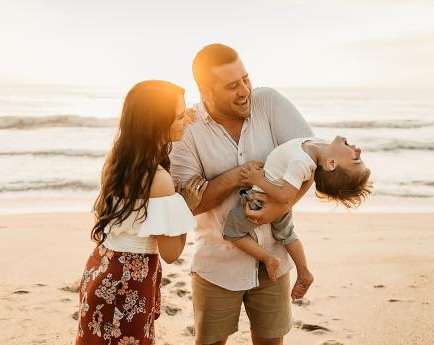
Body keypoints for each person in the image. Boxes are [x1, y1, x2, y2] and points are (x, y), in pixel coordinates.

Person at [170, 44, 313, 345]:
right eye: (232, 85)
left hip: (273, 257)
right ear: (205, 91)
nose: (244, 90)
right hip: (216, 264)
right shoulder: (188, 128)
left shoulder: (269, 102)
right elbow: (188, 204)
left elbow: (310, 162)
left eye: (245, 79)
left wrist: (281, 207)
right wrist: (236, 177)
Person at [75, 80, 203, 345]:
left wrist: (183, 114)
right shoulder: (158, 180)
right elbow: (171, 253)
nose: (186, 121)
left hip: (102, 268)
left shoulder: (119, 161)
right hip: (127, 283)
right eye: (179, 117)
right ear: (157, 124)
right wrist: (186, 206)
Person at [223, 135, 372, 300]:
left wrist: (258, 179)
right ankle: (304, 272)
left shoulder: (301, 161)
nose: (358, 149)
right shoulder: (318, 145)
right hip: (276, 200)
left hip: (260, 200)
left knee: (231, 232)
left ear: (331, 163)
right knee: (287, 234)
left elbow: (285, 197)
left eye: (356, 159)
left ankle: (268, 258)